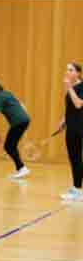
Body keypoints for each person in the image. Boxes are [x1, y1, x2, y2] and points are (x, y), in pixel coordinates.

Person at [0, 78, 31, 180]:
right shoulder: (7, 93)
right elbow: (21, 105)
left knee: (8, 146)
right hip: (25, 119)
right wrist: (23, 116)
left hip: (18, 122)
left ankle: (22, 168)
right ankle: (20, 169)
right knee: (11, 146)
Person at [57, 61, 83, 202]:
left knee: (76, 158)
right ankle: (76, 187)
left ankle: (78, 191)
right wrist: (64, 120)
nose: (68, 72)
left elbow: (78, 104)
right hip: (71, 126)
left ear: (78, 73)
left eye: (71, 70)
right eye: (67, 69)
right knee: (74, 158)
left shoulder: (81, 87)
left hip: (78, 128)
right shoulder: (72, 87)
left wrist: (69, 88)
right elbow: (71, 108)